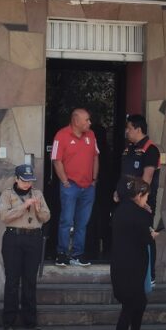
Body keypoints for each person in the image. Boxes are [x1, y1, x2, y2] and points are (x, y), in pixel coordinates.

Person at [0, 163, 51, 330]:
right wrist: (23, 206)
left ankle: (30, 320)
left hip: (33, 238)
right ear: (16, 179)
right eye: (24, 180)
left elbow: (46, 216)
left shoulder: (37, 194)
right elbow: (4, 216)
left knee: (30, 280)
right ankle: (9, 321)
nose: (28, 184)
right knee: (12, 280)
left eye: (30, 180)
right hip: (13, 238)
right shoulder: (7, 195)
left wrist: (37, 208)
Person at [109, 177, 157, 330]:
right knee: (130, 306)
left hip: (122, 266)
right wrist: (153, 232)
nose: (147, 201)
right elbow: (146, 238)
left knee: (139, 302)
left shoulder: (121, 210)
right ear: (138, 195)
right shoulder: (140, 214)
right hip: (132, 267)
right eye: (146, 197)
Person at [114, 114, 161, 284]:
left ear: (138, 129)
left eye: (129, 128)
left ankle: (151, 275)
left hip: (142, 202)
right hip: (126, 203)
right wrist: (118, 191)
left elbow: (147, 178)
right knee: (127, 236)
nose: (127, 131)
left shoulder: (151, 149)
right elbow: (125, 174)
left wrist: (137, 200)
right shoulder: (129, 149)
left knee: (146, 235)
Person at [51, 108, 99, 267]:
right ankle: (62, 254)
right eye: (87, 120)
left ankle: (77, 255)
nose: (90, 123)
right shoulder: (61, 135)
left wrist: (94, 179)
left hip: (88, 187)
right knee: (66, 220)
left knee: (82, 223)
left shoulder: (91, 135)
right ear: (76, 121)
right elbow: (56, 160)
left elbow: (95, 157)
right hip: (70, 185)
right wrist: (64, 181)